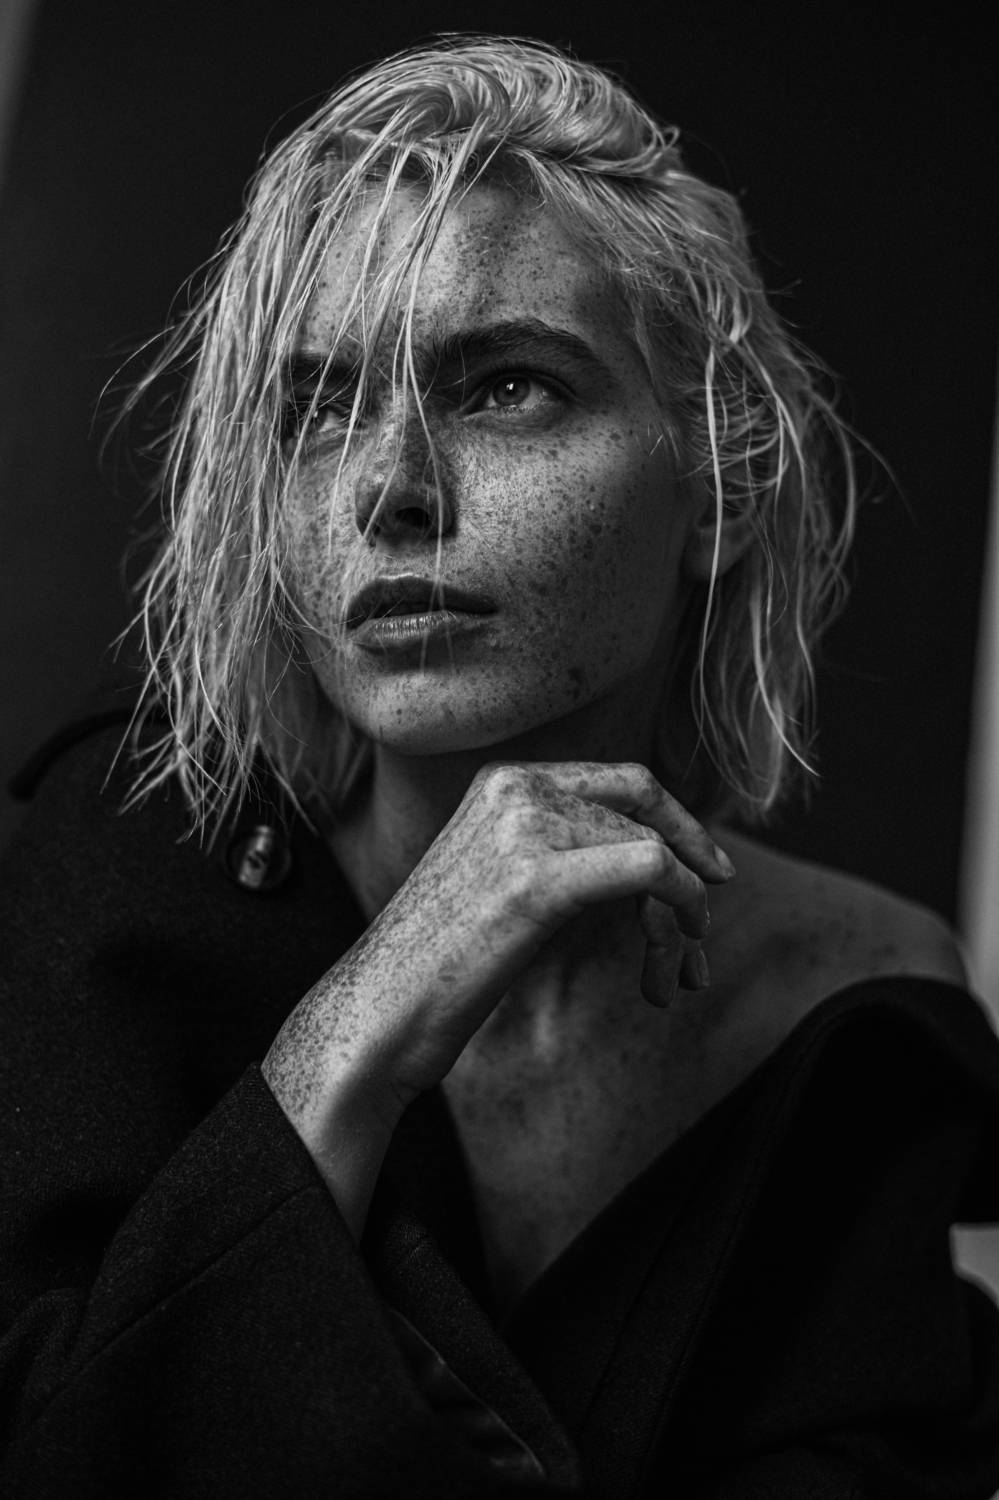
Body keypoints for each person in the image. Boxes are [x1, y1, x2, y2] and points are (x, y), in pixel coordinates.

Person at [2, 32, 998, 1499]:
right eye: (318, 407)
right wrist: (365, 1025)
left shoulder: (851, 1012)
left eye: (506, 385)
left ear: (718, 482)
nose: (388, 488)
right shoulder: (123, 878)